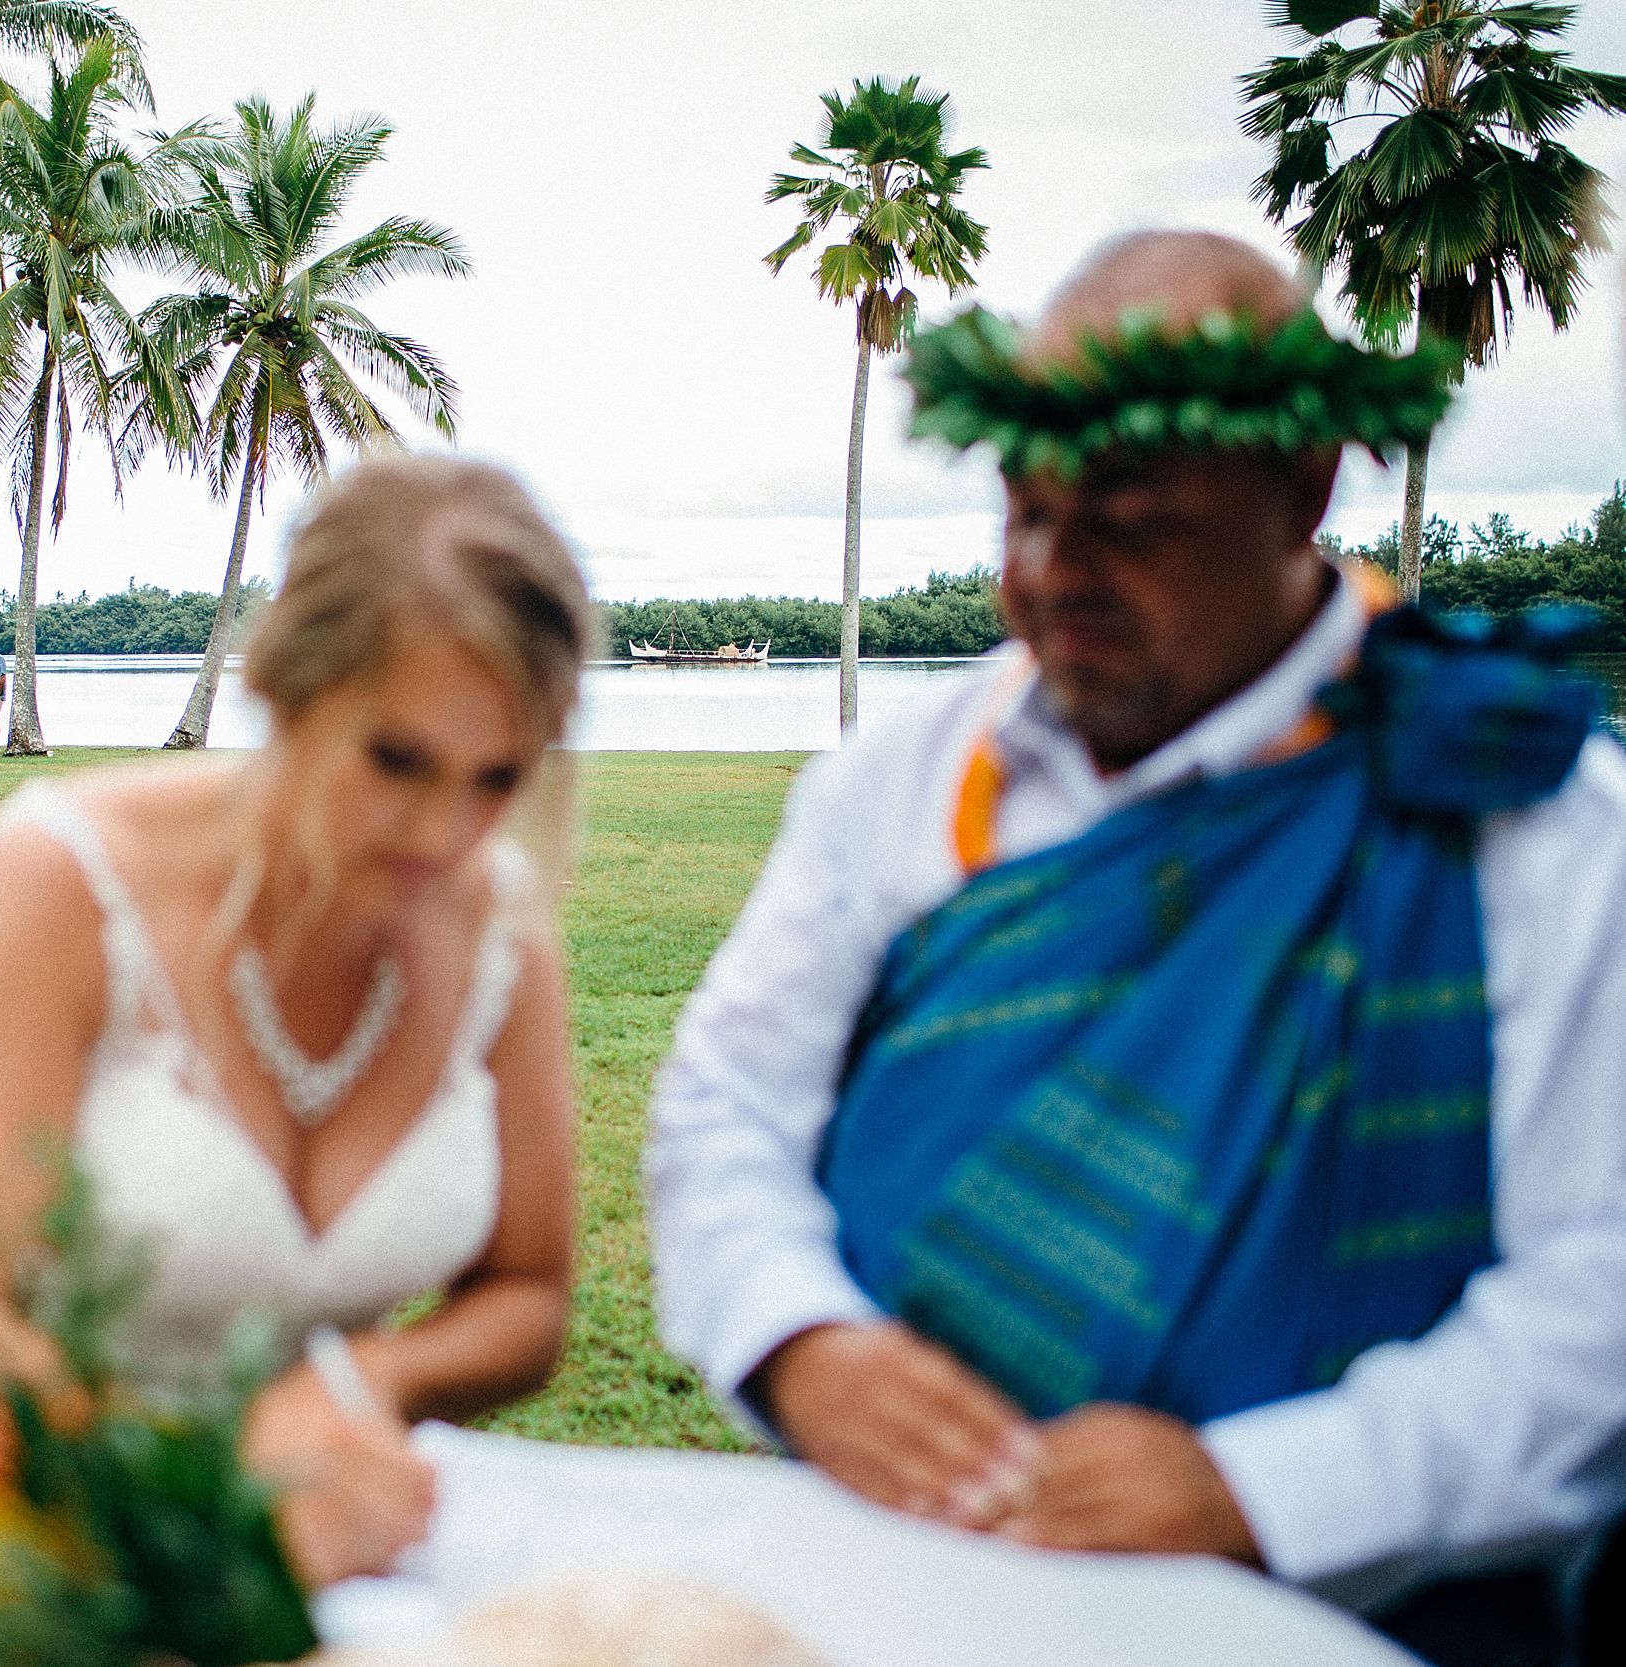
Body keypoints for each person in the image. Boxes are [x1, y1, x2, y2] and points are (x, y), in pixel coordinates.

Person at [644, 232, 1626, 1651]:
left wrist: (1259, 1489)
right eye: (1025, 515)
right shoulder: (909, 777)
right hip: (885, 1582)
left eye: (1133, 522)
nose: (1052, 577)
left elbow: (1600, 1290)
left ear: (1307, 490)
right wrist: (804, 1344)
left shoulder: (1529, 819)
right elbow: (727, 1103)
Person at [0, 456, 595, 1592]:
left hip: (323, 1544)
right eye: (396, 758)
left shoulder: (502, 922)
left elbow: (526, 1295)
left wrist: (367, 1379)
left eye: (497, 777)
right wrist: (193, 1499)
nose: (441, 830)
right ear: (281, 688)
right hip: (1, 1528)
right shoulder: (54, 880)